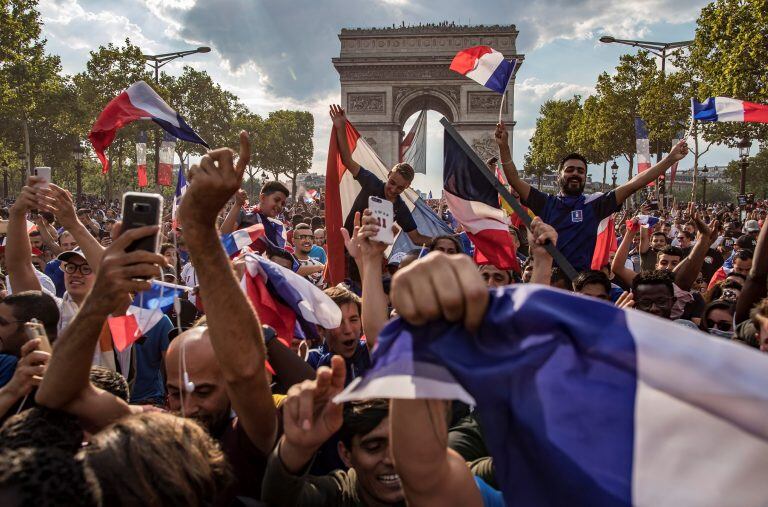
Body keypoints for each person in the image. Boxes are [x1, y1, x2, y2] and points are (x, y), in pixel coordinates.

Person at [36, 133, 279, 504]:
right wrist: (100, 297)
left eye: (205, 391)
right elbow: (57, 393)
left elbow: (246, 371)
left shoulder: (252, 437)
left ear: (232, 388)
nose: (188, 408)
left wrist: (199, 228)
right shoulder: (155, 426)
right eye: (176, 393)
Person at [494, 120, 689, 272]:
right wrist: (503, 147)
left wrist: (669, 159)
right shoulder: (546, 203)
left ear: (585, 177)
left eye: (580, 171)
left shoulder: (595, 205)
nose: (575, 174)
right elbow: (514, 180)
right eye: (570, 169)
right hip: (550, 279)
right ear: (559, 175)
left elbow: (634, 183)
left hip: (580, 282)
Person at [329, 104, 432, 246]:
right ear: (389, 175)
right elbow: (347, 160)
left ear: (407, 187)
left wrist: (445, 241)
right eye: (392, 183)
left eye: (400, 188)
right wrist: (340, 127)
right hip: (348, 247)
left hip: (372, 254)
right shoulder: (371, 182)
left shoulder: (401, 208)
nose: (393, 190)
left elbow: (416, 238)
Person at [220, 184, 290, 247]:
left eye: (283, 204)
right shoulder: (245, 213)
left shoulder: (276, 227)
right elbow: (224, 236)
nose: (279, 206)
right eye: (276, 200)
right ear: (263, 198)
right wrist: (237, 204)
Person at [293, 223, 325, 287]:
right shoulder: (286, 262)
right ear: (293, 241)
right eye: (302, 237)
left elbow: (320, 293)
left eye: (310, 237)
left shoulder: (318, 265)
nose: (307, 240)